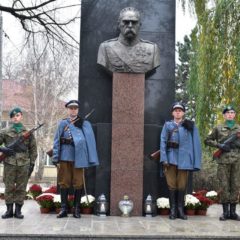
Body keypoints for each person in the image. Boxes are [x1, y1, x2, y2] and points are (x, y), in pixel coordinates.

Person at [52, 100, 99, 218]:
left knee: (78, 183)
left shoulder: (83, 123)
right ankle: (63, 209)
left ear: (78, 110)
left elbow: (89, 142)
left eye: (75, 108)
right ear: (68, 110)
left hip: (79, 157)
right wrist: (56, 156)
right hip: (65, 156)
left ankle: (76, 209)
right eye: (71, 108)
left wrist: (89, 157)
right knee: (64, 182)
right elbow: (57, 140)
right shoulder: (63, 123)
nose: (73, 110)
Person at [160, 102, 202, 220]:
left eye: (180, 110)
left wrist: (195, 162)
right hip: (170, 158)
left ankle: (180, 209)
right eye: (176, 110)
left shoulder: (190, 125)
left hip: (185, 160)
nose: (178, 112)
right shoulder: (167, 125)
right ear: (172, 112)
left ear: (183, 112)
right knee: (171, 185)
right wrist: (164, 158)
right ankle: (173, 210)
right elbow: (162, 142)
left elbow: (196, 144)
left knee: (182, 185)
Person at [0, 107, 37, 219]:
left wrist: (32, 163)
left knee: (21, 187)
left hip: (24, 163)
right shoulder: (5, 131)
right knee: (9, 187)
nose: (15, 118)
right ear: (11, 118)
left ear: (21, 116)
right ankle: (9, 211)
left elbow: (33, 149)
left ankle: (18, 211)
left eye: (17, 115)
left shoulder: (28, 132)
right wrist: (3, 149)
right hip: (9, 163)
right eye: (13, 116)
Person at [97, 7, 160, 73]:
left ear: (140, 25)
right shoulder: (105, 48)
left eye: (134, 22)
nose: (130, 26)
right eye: (126, 22)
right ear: (119, 24)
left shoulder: (152, 49)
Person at [204, 105, 240, 221]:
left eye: (232, 112)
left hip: (236, 161)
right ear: (224, 115)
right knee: (224, 186)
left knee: (235, 185)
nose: (230, 114)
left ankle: (233, 212)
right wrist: (220, 145)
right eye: (228, 112)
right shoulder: (218, 128)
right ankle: (225, 212)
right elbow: (207, 140)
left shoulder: (239, 129)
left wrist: (236, 144)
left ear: (234, 115)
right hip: (223, 161)